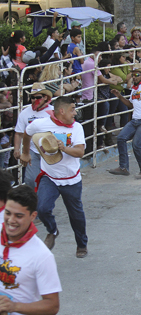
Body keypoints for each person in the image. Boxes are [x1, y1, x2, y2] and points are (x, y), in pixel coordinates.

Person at [21, 96, 88, 258]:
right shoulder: (41, 124)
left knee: (76, 216)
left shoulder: (77, 127)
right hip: (49, 176)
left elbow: (80, 152)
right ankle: (52, 231)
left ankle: (81, 244)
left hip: (71, 179)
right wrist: (25, 152)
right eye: (72, 109)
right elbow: (27, 133)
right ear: (61, 111)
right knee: (42, 209)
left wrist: (64, 148)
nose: (75, 112)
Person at [0, 185, 62, 315]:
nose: (11, 220)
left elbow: (52, 305)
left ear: (33, 216)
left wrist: (14, 306)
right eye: (8, 213)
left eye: (19, 216)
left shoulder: (41, 256)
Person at [108, 65, 141, 179]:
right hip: (135, 119)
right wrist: (119, 96)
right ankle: (123, 167)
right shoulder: (134, 89)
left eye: (136, 75)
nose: (134, 77)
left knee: (136, 144)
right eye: (133, 75)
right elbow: (130, 104)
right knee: (121, 138)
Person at [13, 83, 54, 189]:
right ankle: (34, 201)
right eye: (32, 97)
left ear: (45, 97)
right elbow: (18, 133)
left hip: (51, 151)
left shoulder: (53, 112)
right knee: (31, 180)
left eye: (38, 97)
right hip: (32, 150)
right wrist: (17, 149)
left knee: (50, 179)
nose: (34, 100)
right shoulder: (25, 112)